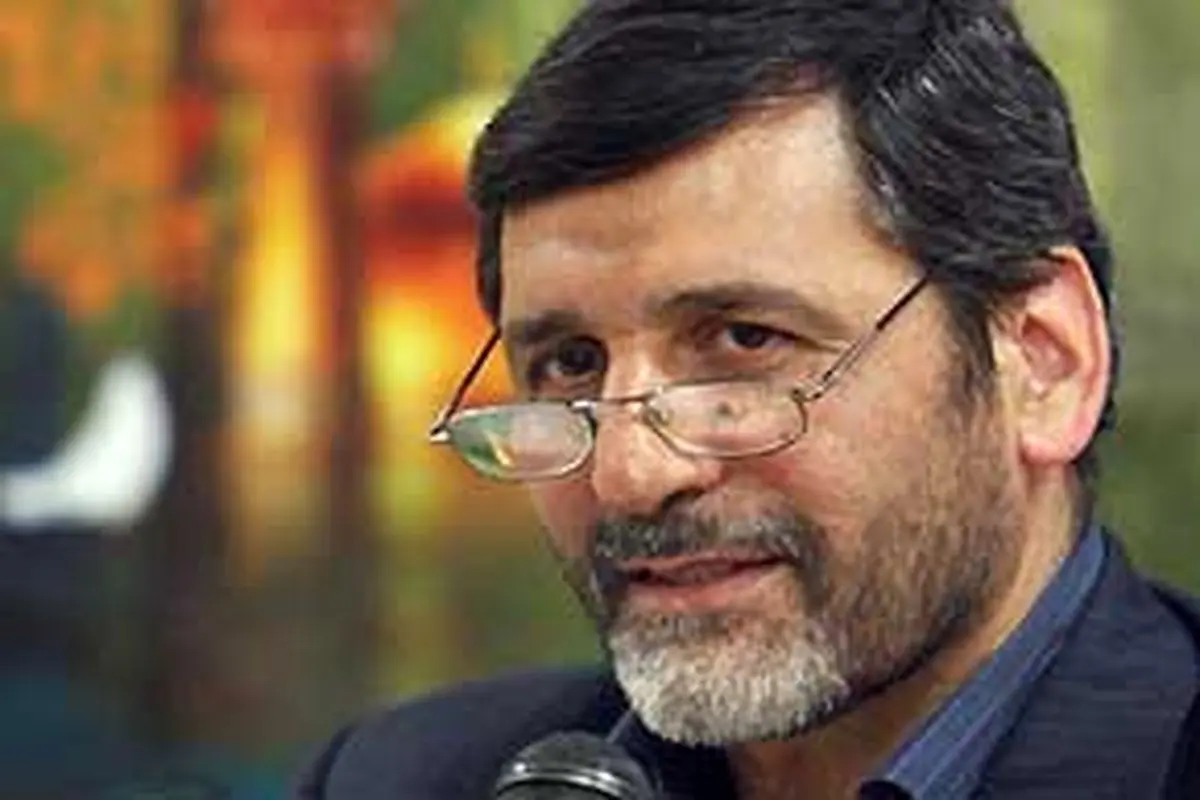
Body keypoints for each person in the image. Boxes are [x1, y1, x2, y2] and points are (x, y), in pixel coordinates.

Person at [295, 1, 1200, 797]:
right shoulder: (400, 779)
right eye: (571, 363)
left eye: (744, 342)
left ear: (1043, 364)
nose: (628, 474)